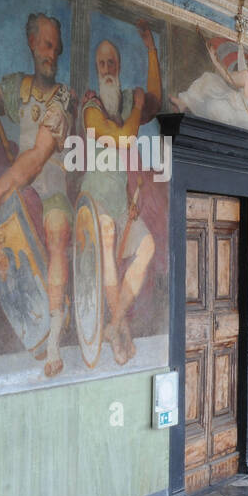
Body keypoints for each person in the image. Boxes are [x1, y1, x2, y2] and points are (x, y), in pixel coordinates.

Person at [0, 13, 74, 376]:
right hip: (16, 181)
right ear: (33, 45)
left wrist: (0, 188)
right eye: (47, 44)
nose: (52, 53)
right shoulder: (16, 87)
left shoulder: (62, 98)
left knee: (55, 229)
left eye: (57, 47)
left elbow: (37, 158)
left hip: (49, 185)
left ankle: (53, 342)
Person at [78, 24, 160, 364]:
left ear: (120, 66)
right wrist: (137, 110)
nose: (108, 69)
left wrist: (151, 50)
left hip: (121, 198)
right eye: (102, 64)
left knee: (147, 246)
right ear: (97, 69)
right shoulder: (90, 105)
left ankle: (114, 324)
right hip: (94, 196)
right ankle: (118, 333)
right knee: (108, 239)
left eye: (112, 63)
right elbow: (124, 138)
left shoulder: (126, 100)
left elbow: (153, 100)